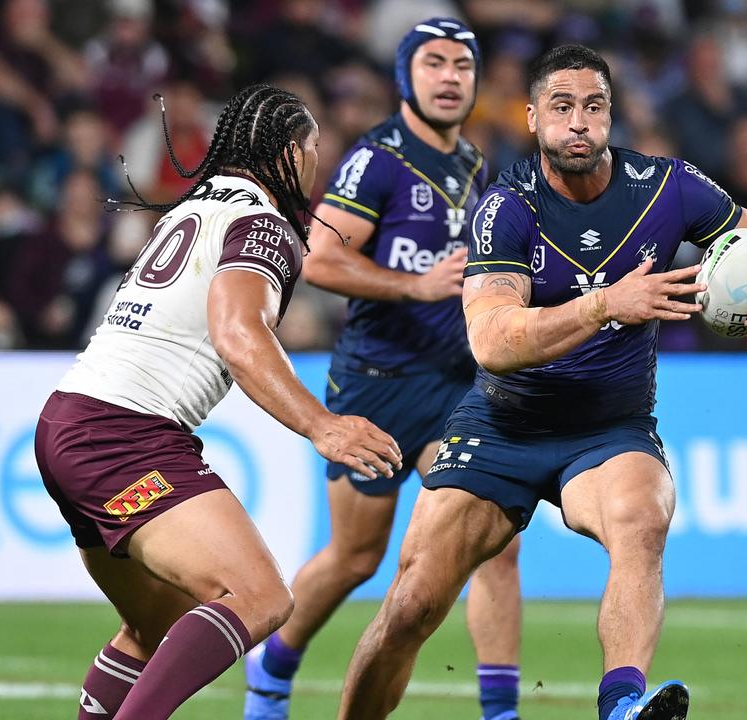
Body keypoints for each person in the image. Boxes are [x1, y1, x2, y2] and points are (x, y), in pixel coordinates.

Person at [336, 44, 747, 720]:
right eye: (562, 107)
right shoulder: (507, 208)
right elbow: (491, 342)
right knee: (411, 607)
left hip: (607, 430)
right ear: (533, 119)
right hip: (503, 427)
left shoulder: (669, 187)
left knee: (642, 520)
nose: (579, 122)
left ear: (611, 115)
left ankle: (621, 706)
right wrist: (603, 304)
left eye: (593, 106)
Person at [34, 83, 401, 720]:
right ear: (290, 153)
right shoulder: (264, 227)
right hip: (125, 435)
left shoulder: (194, 209)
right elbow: (240, 333)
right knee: (257, 595)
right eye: (314, 150)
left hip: (70, 419)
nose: (317, 165)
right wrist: (322, 426)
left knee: (155, 630)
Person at [242, 18, 525, 720]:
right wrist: (415, 285)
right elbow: (322, 257)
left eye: (464, 64)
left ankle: (502, 713)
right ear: (407, 77)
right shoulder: (379, 160)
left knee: (494, 545)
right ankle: (271, 676)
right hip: (377, 382)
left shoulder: (474, 164)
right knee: (355, 557)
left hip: (458, 387)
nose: (451, 76)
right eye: (434, 63)